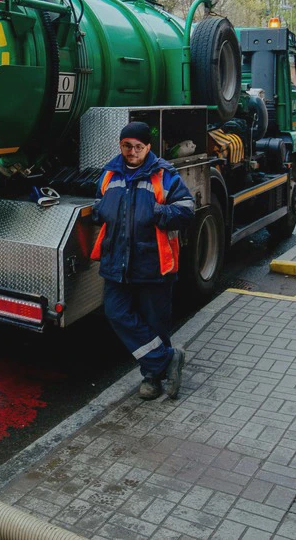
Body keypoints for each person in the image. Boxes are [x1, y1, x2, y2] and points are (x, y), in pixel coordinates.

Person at [91, 121, 195, 400]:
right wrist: (101, 211)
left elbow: (187, 209)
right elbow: (99, 202)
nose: (132, 151)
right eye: (127, 146)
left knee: (155, 321)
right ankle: (166, 359)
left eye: (138, 146)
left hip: (153, 261)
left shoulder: (164, 174)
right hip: (116, 261)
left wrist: (157, 213)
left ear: (148, 147)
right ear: (120, 145)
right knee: (116, 312)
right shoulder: (110, 173)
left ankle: (152, 378)